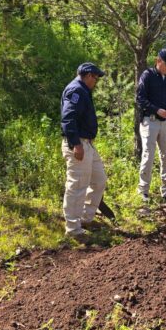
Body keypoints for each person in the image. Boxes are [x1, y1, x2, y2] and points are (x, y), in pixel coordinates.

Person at [60, 62, 107, 238]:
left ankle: (86, 218)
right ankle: (73, 228)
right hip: (78, 143)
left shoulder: (83, 90)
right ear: (87, 75)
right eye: (95, 78)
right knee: (77, 185)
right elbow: (68, 118)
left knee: (99, 179)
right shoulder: (76, 91)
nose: (96, 81)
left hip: (88, 144)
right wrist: (75, 144)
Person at [136, 48, 166, 202]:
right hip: (150, 120)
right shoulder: (147, 75)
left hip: (165, 122)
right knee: (148, 155)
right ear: (158, 61)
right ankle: (143, 190)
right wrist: (156, 109)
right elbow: (140, 99)